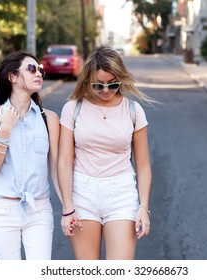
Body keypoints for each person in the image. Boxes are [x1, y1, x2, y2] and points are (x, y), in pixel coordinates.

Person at [58, 46, 154, 259]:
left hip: (121, 194)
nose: (105, 90)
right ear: (87, 80)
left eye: (113, 84)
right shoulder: (73, 109)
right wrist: (67, 207)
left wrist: (144, 207)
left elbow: (144, 165)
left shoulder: (133, 111)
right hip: (82, 195)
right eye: (98, 85)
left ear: (121, 79)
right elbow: (64, 162)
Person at [0, 50, 61, 260]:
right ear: (12, 76)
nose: (39, 74)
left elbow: (56, 169)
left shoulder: (49, 118)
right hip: (2, 211)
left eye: (40, 70)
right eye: (32, 69)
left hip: (39, 209)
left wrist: (69, 208)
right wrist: (5, 130)